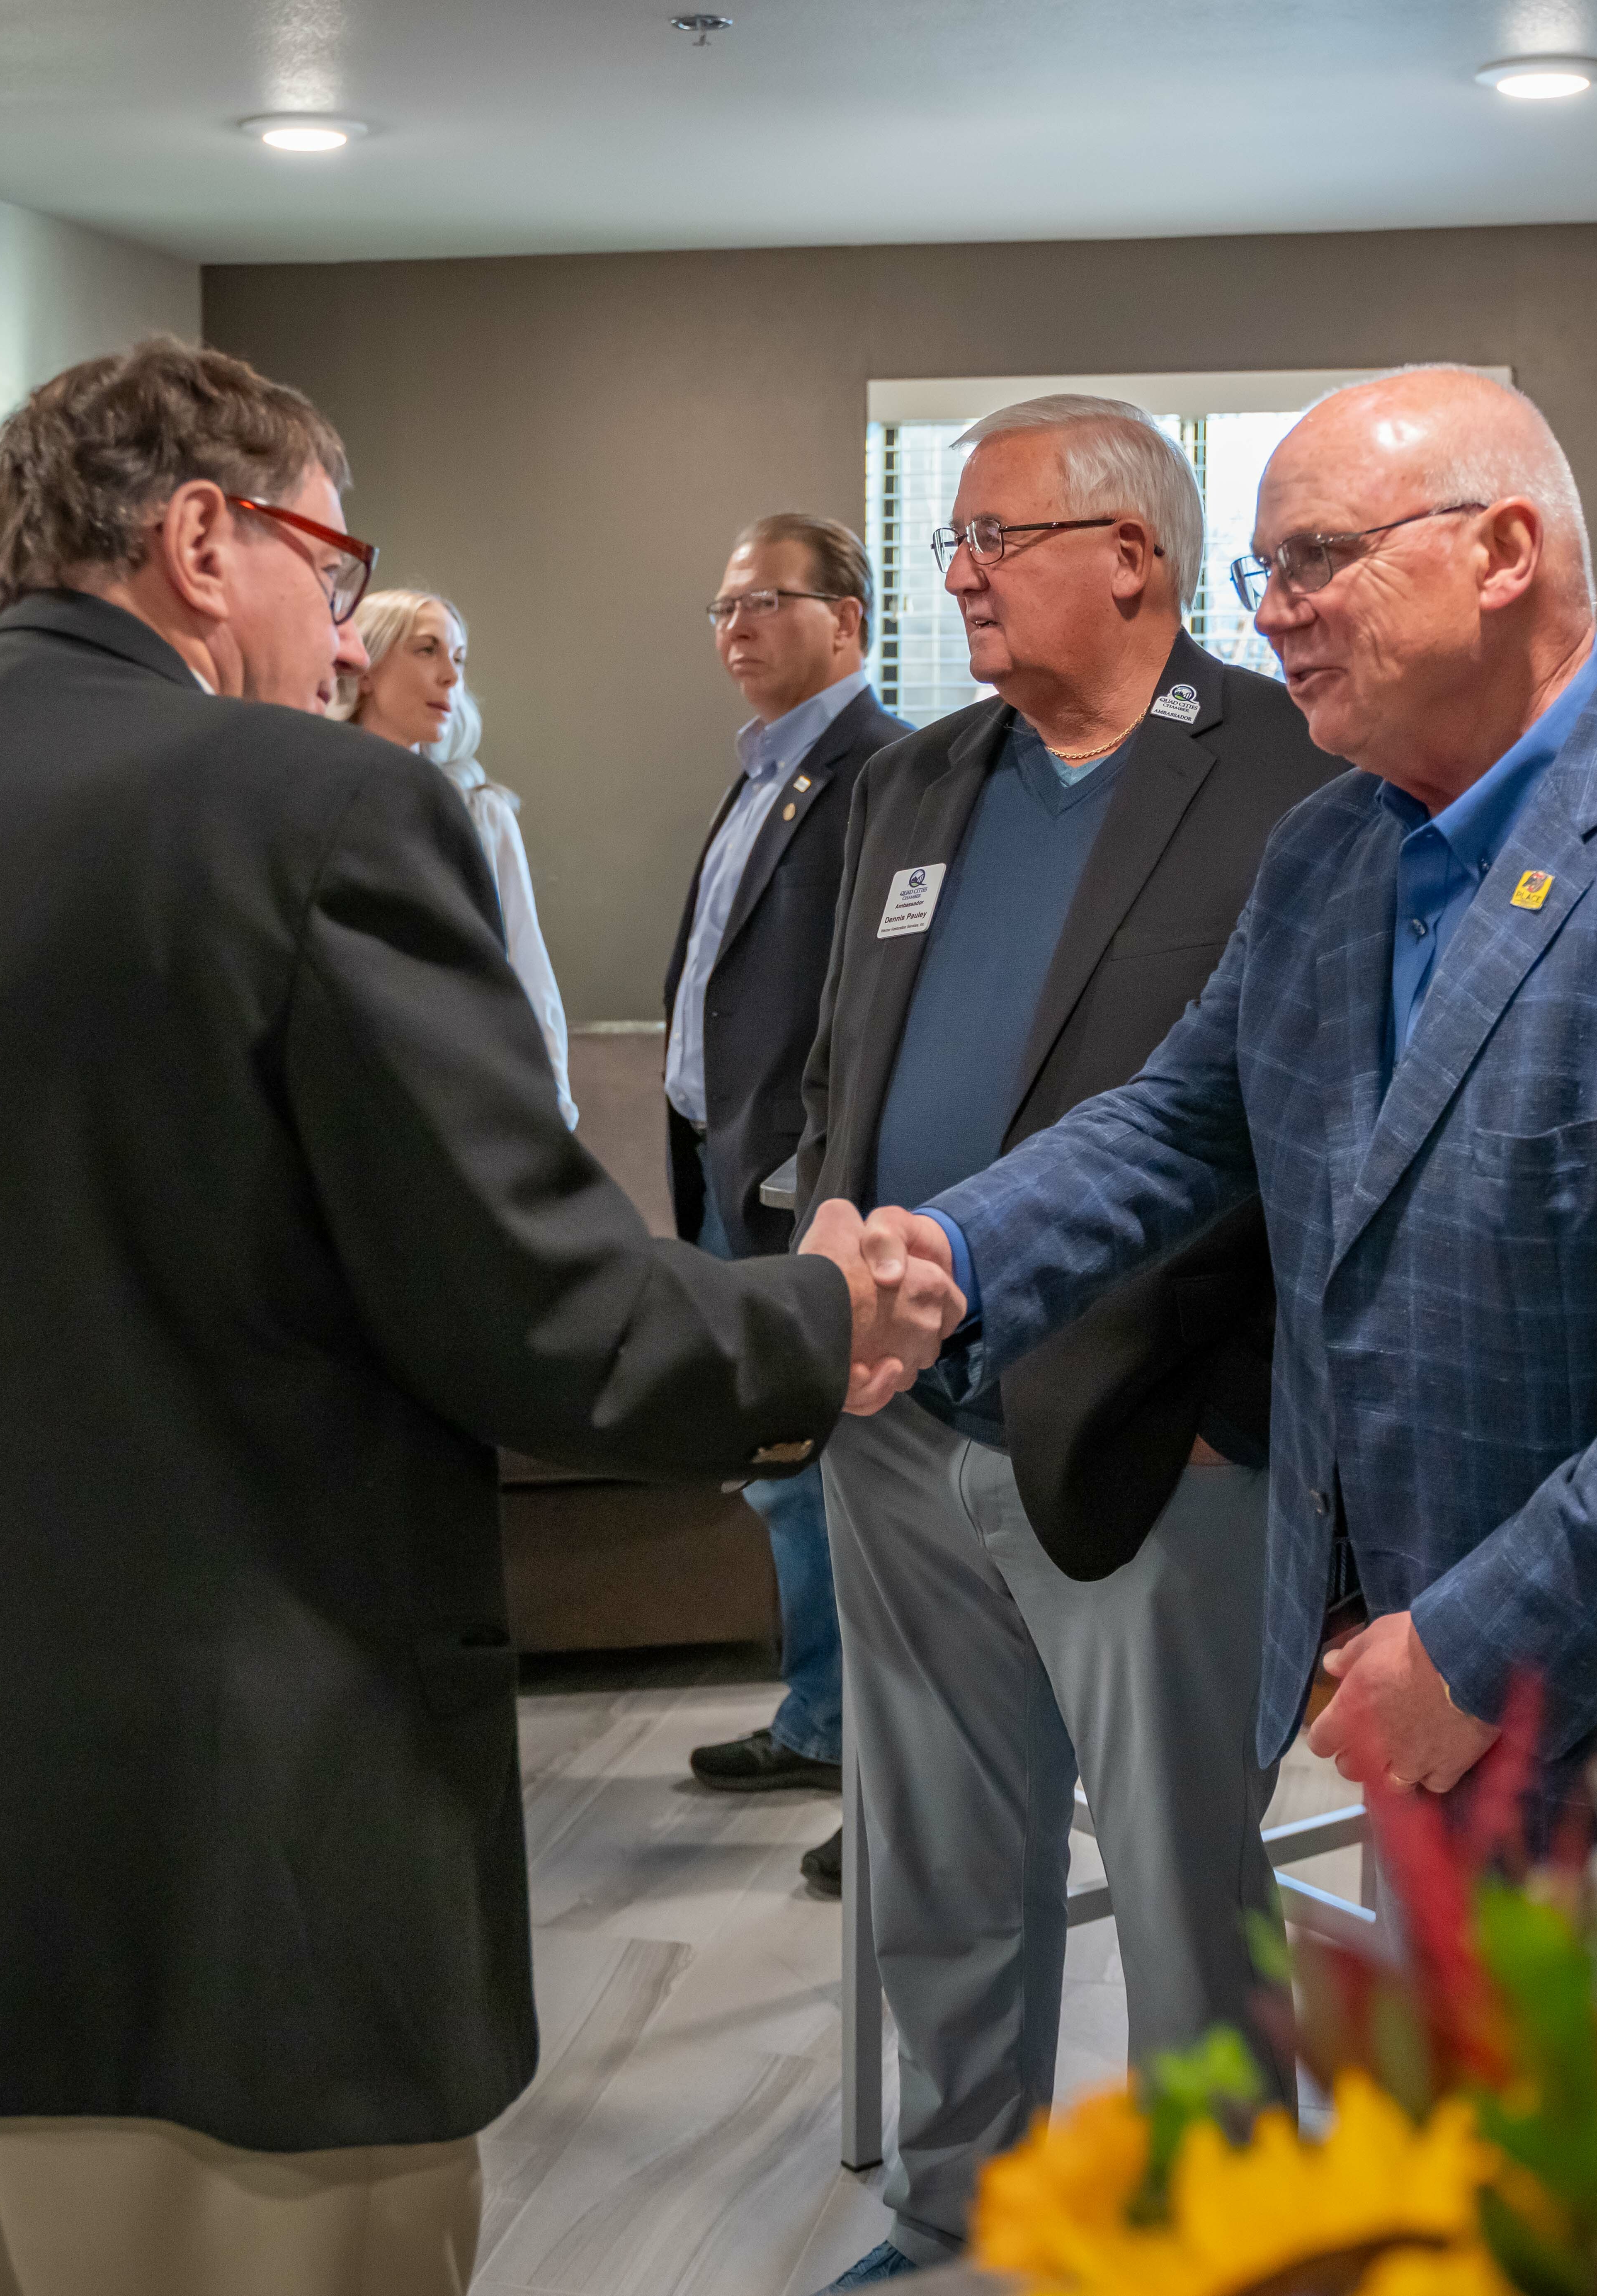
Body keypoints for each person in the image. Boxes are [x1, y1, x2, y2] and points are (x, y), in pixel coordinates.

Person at [0, 336, 961, 2296]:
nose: (342, 630)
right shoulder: (312, 809)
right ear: (203, 536)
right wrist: (816, 1316)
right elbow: (536, 1310)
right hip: (189, 1891)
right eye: (332, 570)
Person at [866, 364, 1597, 1898]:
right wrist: (944, 1252)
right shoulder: (1328, 853)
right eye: (1261, 569)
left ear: (1501, 555)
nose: (1271, 612)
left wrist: (1482, 1648)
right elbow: (1176, 1126)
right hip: (1409, 1706)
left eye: (1316, 560)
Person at [790, 397, 1344, 2289]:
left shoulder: (1288, 770)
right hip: (897, 1420)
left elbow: (1324, 1129)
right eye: (948, 540)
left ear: (1133, 556)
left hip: (1156, 1426)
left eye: (991, 537)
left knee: (1191, 1888)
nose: (953, 575)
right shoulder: (916, 781)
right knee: (942, 1861)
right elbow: (839, 1067)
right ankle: (958, 2211)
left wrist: (1241, 1411)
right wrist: (822, 1222)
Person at [667, 512, 909, 1896]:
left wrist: (815, 1167)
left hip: (797, 1186)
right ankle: (820, 1721)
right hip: (722, 1167)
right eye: (719, 605)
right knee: (781, 1477)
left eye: (765, 599)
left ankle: (887, 1773)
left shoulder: (882, 767)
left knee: (854, 1479)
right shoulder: (764, 772)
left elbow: (864, 999)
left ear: (847, 620)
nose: (735, 626)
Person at [334, 588, 578, 1125]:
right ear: (365, 665)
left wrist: (553, 1104)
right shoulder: (308, 803)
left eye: (459, 659)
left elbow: (526, 970)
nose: (450, 675)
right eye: (427, 650)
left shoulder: (481, 814)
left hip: (459, 1105)